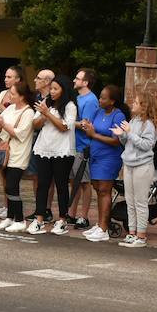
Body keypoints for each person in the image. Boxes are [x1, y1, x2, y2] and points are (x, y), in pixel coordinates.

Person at [29, 74, 77, 235]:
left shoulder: (70, 106)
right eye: (51, 89)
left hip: (62, 151)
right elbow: (35, 124)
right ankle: (39, 219)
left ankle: (62, 219)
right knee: (42, 184)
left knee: (61, 185)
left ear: (64, 90)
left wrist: (48, 114)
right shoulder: (46, 103)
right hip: (44, 148)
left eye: (56, 89)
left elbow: (64, 127)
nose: (52, 92)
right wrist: (43, 115)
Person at [78, 84, 126, 242]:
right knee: (98, 189)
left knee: (105, 190)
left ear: (112, 101)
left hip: (109, 157)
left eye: (103, 98)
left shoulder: (118, 115)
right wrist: (87, 127)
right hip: (95, 155)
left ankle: (104, 228)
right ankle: (99, 224)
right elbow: (90, 129)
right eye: (100, 97)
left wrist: (94, 135)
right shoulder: (98, 112)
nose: (100, 100)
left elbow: (116, 140)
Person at [115, 89, 157, 248]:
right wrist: (122, 134)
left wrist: (129, 133)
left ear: (144, 106)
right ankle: (132, 232)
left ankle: (141, 235)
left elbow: (147, 145)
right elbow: (127, 142)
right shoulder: (133, 121)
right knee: (130, 200)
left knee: (140, 201)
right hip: (129, 164)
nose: (132, 104)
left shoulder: (149, 124)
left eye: (136, 102)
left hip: (142, 166)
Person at [0, 81, 37, 233]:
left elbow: (20, 134)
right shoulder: (10, 108)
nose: (9, 96)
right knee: (7, 186)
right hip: (6, 151)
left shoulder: (28, 112)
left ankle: (19, 219)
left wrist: (3, 124)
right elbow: (0, 129)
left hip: (18, 154)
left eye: (13, 94)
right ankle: (10, 217)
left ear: (22, 96)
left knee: (12, 186)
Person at [0, 65, 26, 220]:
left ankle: (12, 210)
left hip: (12, 136)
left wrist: (0, 106)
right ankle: (6, 205)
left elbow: (10, 114)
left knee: (11, 178)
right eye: (5, 77)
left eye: (9, 77)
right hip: (0, 133)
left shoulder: (21, 97)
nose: (6, 79)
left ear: (18, 79)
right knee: (3, 172)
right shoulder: (2, 93)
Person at [68, 68, 100, 230]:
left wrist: (67, 122)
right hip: (73, 144)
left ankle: (84, 216)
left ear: (85, 82)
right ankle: (71, 214)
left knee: (84, 182)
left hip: (83, 146)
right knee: (73, 181)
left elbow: (85, 125)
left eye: (77, 78)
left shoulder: (90, 100)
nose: (74, 80)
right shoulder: (78, 97)